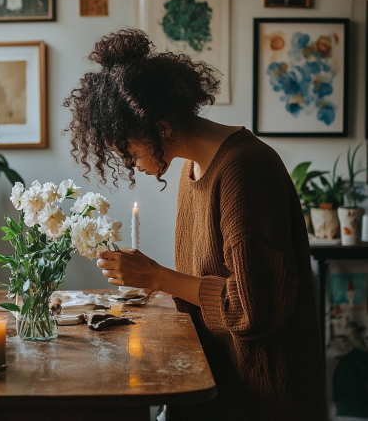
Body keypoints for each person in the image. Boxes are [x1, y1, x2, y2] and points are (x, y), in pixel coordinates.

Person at [63, 29, 327, 420]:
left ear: (163, 130)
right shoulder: (193, 173)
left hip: (262, 396)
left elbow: (254, 308)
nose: (130, 164)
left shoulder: (244, 172)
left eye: (129, 151)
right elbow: (205, 282)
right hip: (219, 382)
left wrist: (156, 277)